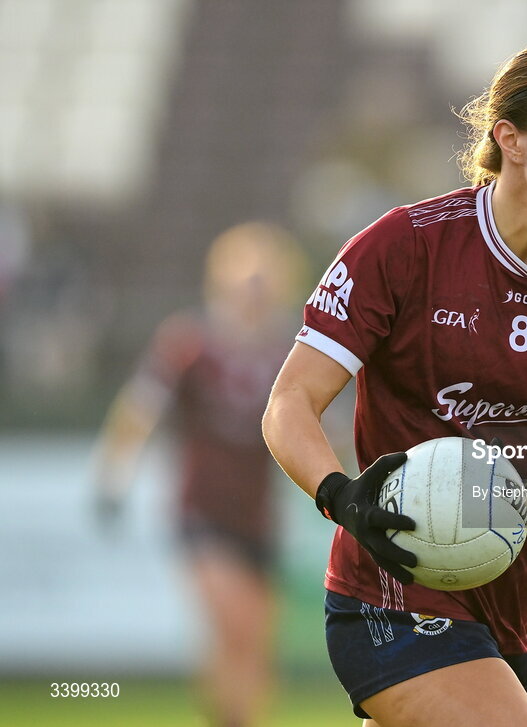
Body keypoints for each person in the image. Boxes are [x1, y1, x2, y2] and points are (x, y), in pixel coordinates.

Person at [262, 41, 527, 727]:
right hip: (390, 591)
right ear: (509, 138)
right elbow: (289, 404)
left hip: (508, 608)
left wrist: (485, 503)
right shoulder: (405, 245)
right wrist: (343, 497)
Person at [93, 222, 306, 727]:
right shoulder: (189, 344)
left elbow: (324, 424)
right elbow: (141, 408)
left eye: (264, 281)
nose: (254, 293)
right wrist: (113, 473)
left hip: (258, 517)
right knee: (232, 622)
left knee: (253, 641)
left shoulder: (289, 353)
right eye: (245, 280)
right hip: (202, 510)